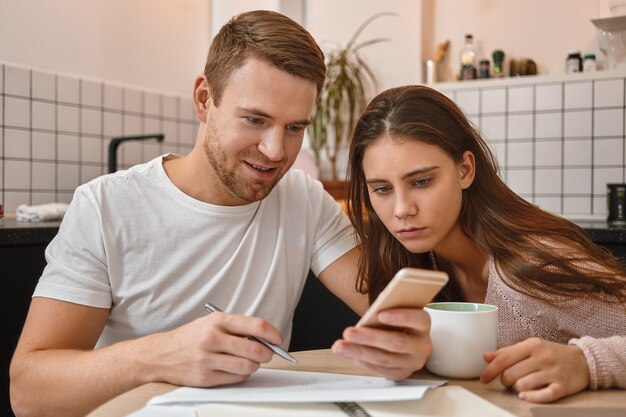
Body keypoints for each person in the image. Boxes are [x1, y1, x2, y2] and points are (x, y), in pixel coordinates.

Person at [9, 12, 429, 417]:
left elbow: (387, 306)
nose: (276, 151)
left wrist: (416, 340)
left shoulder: (303, 200)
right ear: (204, 99)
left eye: (294, 128)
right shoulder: (105, 207)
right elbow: (28, 392)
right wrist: (158, 356)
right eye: (255, 119)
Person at [335, 84, 626, 403]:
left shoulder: (533, 266)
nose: (402, 209)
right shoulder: (416, 268)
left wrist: (585, 363)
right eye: (382, 189)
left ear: (465, 170)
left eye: (421, 182)